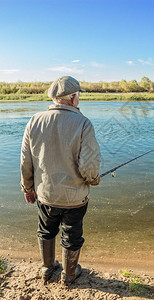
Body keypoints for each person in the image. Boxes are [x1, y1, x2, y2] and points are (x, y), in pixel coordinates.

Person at [20, 75, 101, 285]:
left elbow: (25, 161)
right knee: (72, 235)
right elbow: (89, 167)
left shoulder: (34, 120)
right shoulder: (83, 123)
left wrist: (27, 188)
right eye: (78, 96)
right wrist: (94, 180)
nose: (79, 99)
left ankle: (47, 269)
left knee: (46, 230)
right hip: (75, 198)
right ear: (73, 97)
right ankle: (69, 274)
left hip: (45, 195)